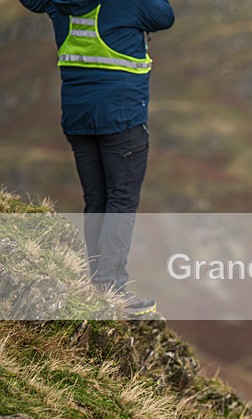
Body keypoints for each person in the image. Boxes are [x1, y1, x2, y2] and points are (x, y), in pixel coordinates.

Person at [19, 0, 175, 316]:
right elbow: (164, 15)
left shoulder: (56, 4)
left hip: (78, 118)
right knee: (121, 200)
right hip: (121, 118)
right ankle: (110, 286)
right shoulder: (126, 4)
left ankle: (99, 283)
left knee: (97, 199)